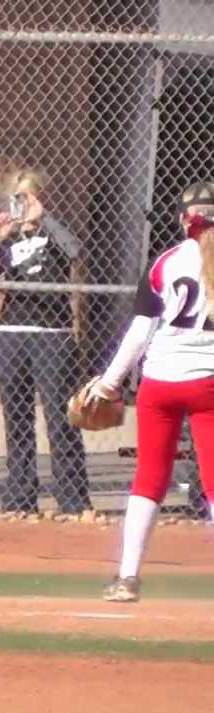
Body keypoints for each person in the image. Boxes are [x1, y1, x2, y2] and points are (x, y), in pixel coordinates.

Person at [91, 181, 214, 602]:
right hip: (208, 385)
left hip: (159, 384)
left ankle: (128, 577)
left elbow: (139, 333)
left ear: (184, 221)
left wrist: (109, 384)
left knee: (149, 479)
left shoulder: (166, 262)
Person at [0, 169, 92, 515]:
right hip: (11, 335)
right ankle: (19, 497)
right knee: (16, 420)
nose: (22, 204)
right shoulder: (9, 239)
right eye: (16, 197)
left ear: (40, 197)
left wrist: (43, 218)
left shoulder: (54, 233)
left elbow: (76, 251)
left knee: (61, 420)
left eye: (28, 197)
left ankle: (73, 500)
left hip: (52, 336)